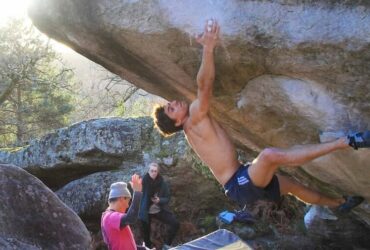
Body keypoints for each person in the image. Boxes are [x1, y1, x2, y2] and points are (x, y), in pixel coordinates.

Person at [152, 19, 365, 212]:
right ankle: (346, 141)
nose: (174, 103)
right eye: (172, 109)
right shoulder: (194, 119)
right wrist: (208, 48)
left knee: (291, 186)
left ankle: (341, 204)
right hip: (238, 183)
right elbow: (204, 86)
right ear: (178, 121)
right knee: (269, 155)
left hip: (241, 180)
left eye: (170, 104)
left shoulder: (192, 124)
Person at [101, 174, 151, 250]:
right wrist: (137, 193)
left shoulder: (113, 218)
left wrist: (143, 249)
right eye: (128, 202)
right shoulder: (110, 217)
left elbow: (125, 245)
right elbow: (131, 218)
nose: (128, 206)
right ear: (121, 199)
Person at [139, 162, 179, 249]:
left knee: (175, 223)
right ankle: (148, 247)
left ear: (158, 172)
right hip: (146, 212)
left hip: (159, 210)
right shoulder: (143, 182)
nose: (153, 173)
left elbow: (167, 197)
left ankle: (167, 244)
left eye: (155, 171)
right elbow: (137, 196)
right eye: (152, 171)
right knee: (146, 234)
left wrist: (159, 200)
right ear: (148, 171)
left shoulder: (162, 183)